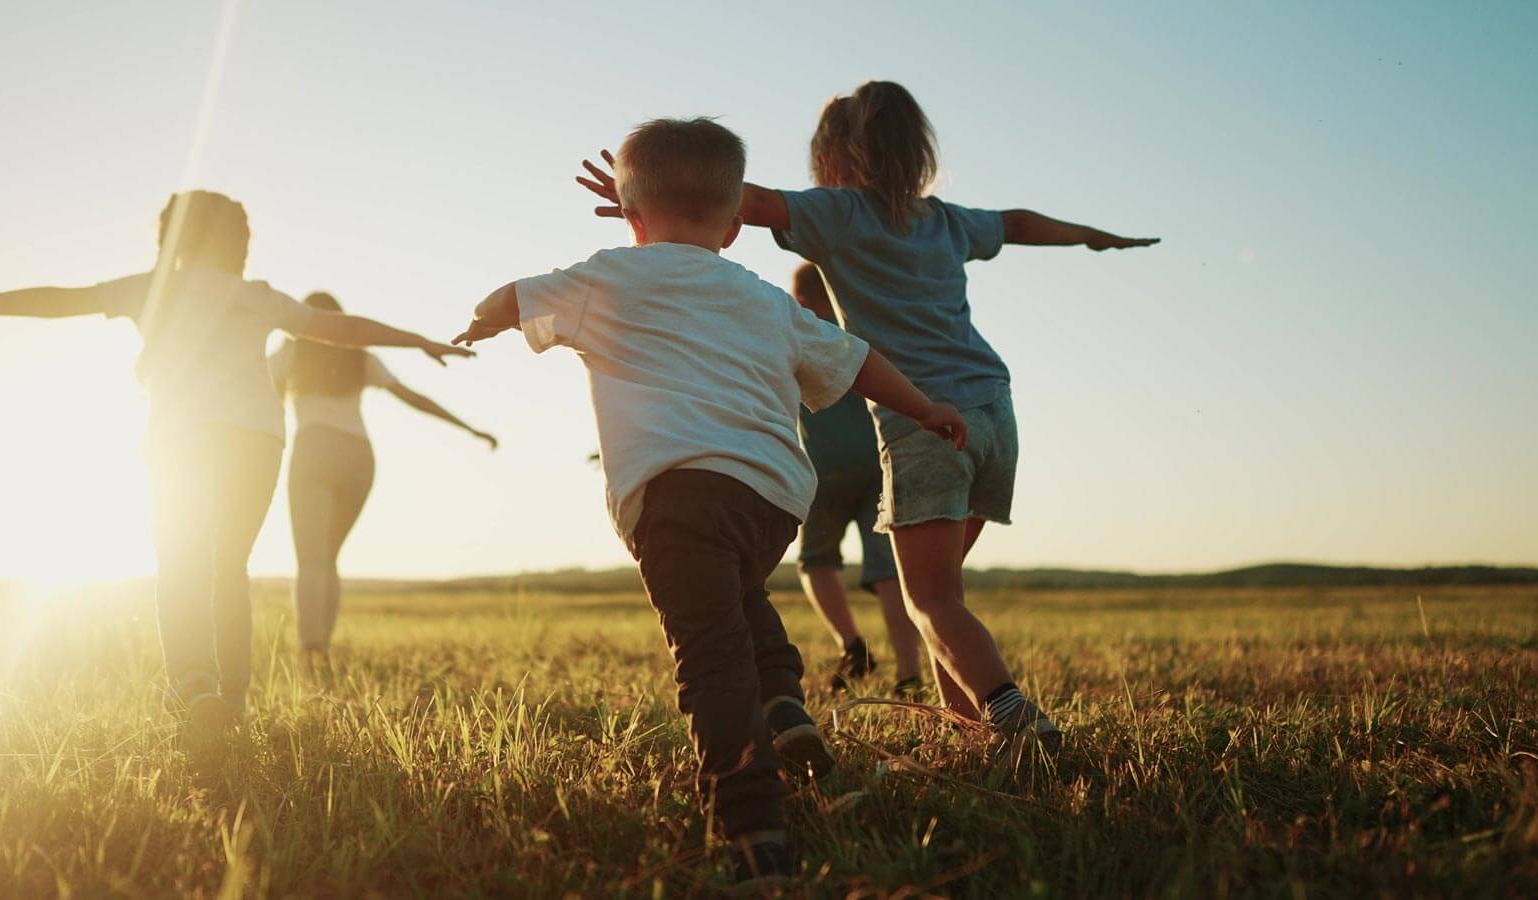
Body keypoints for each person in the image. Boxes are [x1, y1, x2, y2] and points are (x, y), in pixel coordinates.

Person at [457, 118, 966, 889]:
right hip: (771, 501)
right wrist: (926, 409)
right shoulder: (764, 299)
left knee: (709, 654)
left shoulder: (604, 277)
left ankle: (753, 823)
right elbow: (857, 361)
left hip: (673, 497)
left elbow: (511, 296)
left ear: (630, 217)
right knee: (737, 599)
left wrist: (480, 322)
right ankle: (786, 704)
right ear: (733, 227)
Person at [578, 81, 1159, 755]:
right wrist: (1093, 237)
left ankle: (1011, 714)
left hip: (924, 421)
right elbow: (1021, 223)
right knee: (946, 593)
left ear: (832, 155)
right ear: (917, 151)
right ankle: (966, 732)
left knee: (929, 601)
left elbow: (746, 201)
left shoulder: (839, 213)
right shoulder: (943, 219)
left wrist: (645, 195)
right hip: (993, 411)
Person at [0, 190, 470, 761]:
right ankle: (235, 701)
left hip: (182, 437)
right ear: (240, 244)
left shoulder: (152, 288)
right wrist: (417, 340)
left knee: (181, 563)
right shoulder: (256, 297)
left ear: (173, 236)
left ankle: (197, 688)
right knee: (229, 570)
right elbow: (338, 329)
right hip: (257, 439)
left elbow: (58, 300)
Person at [269, 291, 497, 661]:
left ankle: (313, 650)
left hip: (313, 450)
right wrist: (469, 428)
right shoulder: (361, 358)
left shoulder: (290, 354)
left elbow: (259, 396)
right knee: (328, 558)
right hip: (358, 456)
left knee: (311, 560)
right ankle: (320, 647)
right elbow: (414, 398)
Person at [785, 262, 923, 696]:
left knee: (816, 560)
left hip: (825, 467)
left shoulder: (797, 333)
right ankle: (909, 673)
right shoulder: (866, 328)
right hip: (882, 462)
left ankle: (852, 644)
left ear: (803, 297)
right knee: (888, 572)